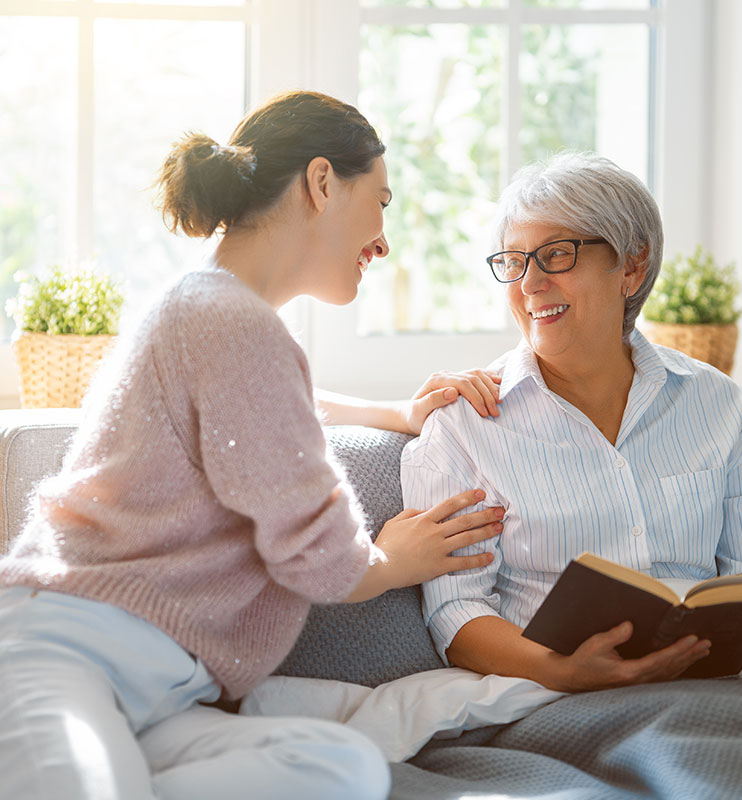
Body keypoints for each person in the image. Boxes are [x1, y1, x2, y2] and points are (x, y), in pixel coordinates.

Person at [0, 91, 505, 800]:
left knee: (345, 767)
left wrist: (393, 411)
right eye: (382, 203)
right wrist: (395, 560)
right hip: (68, 653)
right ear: (322, 182)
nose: (384, 240)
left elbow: (275, 410)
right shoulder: (230, 324)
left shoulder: (212, 312)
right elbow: (323, 563)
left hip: (157, 697)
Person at [401, 152, 742, 694]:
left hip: (714, 683)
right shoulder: (464, 427)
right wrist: (560, 672)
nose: (530, 283)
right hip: (553, 696)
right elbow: (456, 613)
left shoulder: (719, 405)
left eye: (556, 255)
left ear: (631, 269)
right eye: (514, 262)